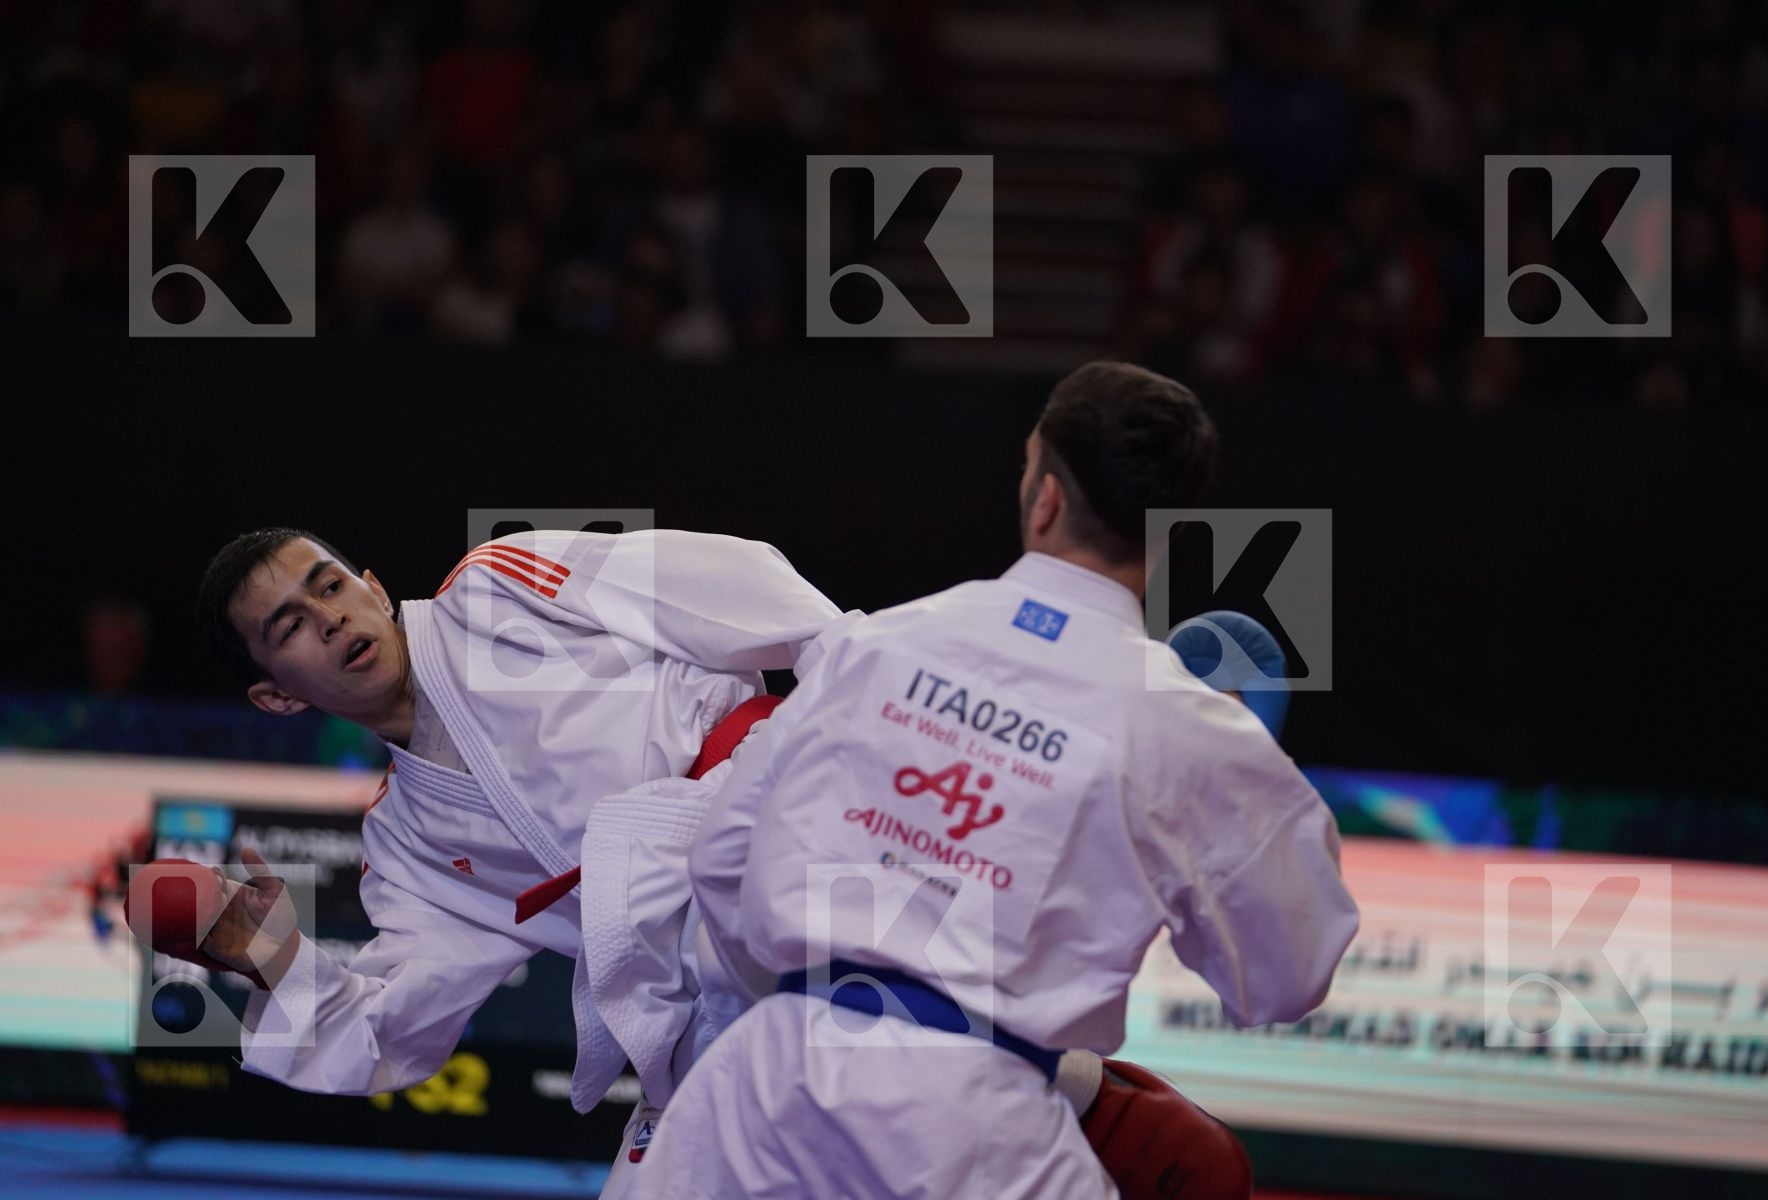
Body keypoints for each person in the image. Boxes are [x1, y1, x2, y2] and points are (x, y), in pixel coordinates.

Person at [635, 361, 1361, 1197]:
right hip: (980, 1127)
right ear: (1170, 528)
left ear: (1044, 494)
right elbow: (1285, 980)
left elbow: (722, 858)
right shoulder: (1191, 730)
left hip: (760, 1093)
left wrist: (809, 1014)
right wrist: (1255, 799)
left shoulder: (878, 646)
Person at [175, 525, 845, 1193]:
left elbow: (738, 584)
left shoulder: (502, 582)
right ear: (278, 698)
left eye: (329, 586)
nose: (328, 619)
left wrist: (871, 701)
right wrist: (268, 957)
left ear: (373, 590)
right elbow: (390, 1027)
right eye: (290, 626)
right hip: (708, 1005)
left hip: (799, 840)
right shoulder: (408, 846)